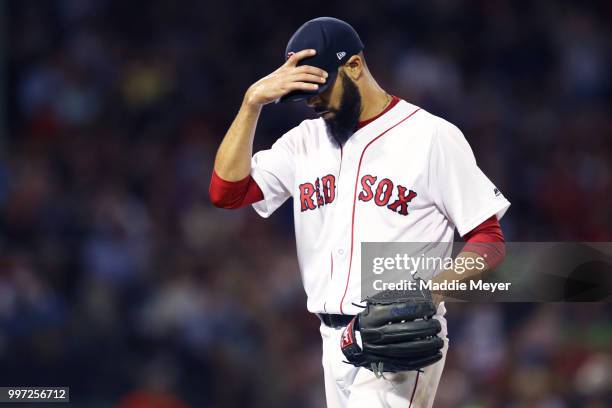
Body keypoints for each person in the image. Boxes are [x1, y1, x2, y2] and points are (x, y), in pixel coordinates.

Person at [209, 17, 510, 408]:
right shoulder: (303, 141)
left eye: (321, 88)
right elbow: (227, 192)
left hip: (399, 336)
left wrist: (429, 292)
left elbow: (489, 241)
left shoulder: (431, 136)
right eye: (305, 93)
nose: (313, 101)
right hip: (332, 340)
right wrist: (251, 103)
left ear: (353, 66)